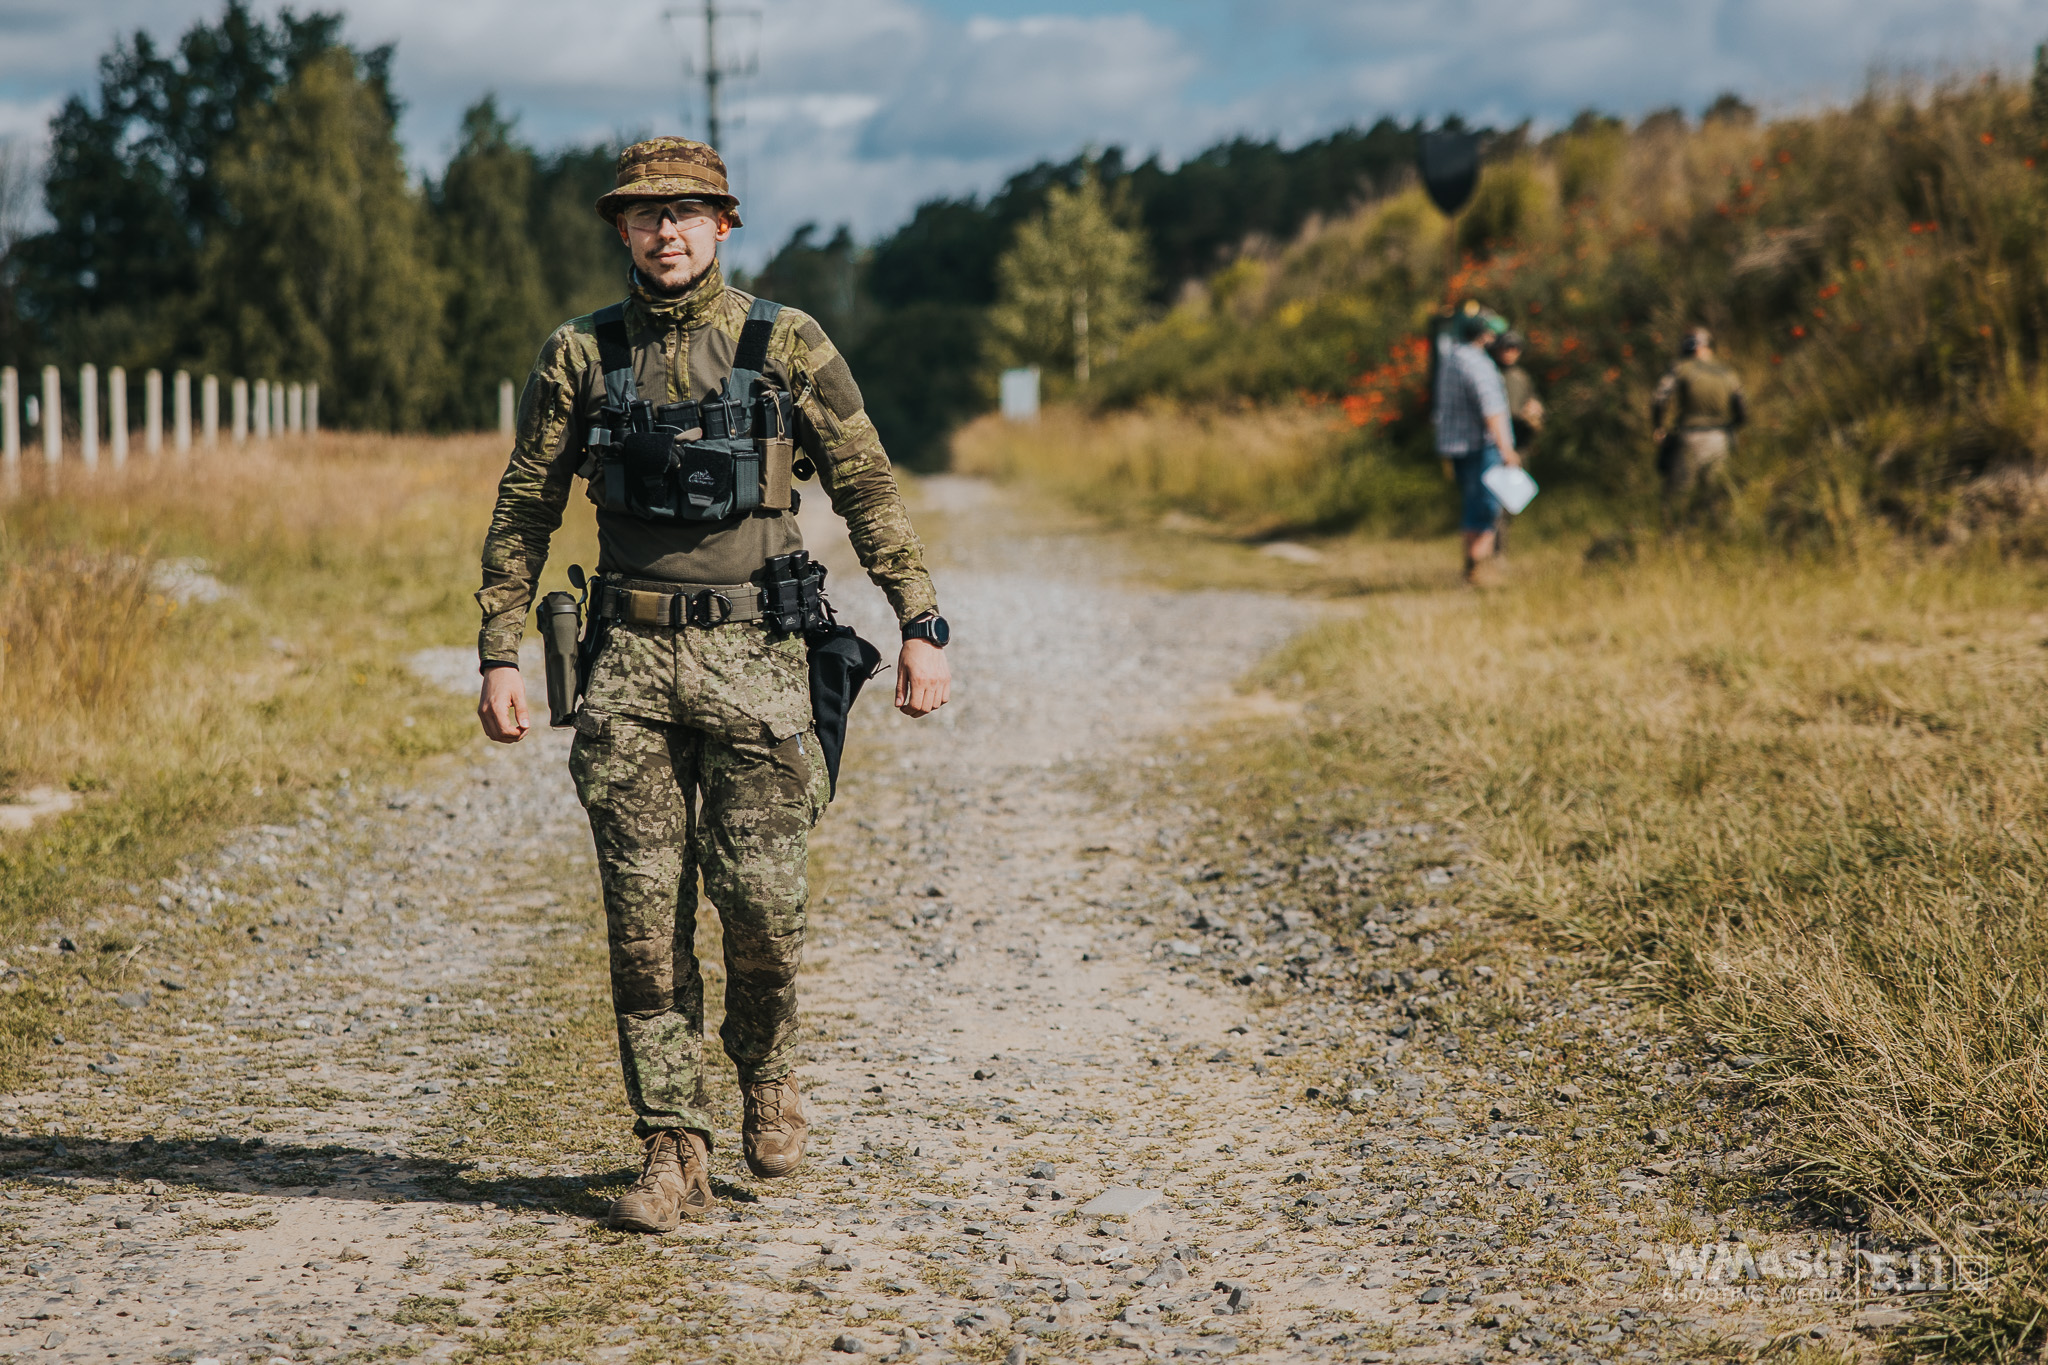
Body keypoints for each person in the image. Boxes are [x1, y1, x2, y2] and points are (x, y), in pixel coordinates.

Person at [473, 138, 953, 1232]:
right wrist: (501, 648)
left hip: (764, 666)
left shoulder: (786, 343)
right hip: (628, 668)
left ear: (723, 224)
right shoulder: (578, 357)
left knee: (760, 912)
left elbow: (870, 487)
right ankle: (669, 1146)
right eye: (645, 216)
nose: (666, 232)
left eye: (686, 213)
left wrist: (919, 624)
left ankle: (766, 1072)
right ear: (620, 231)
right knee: (644, 921)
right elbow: (523, 510)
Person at [1433, 303, 1522, 583]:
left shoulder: (1450, 359)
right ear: (1482, 335)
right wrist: (1507, 449)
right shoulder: (1478, 363)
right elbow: (1492, 410)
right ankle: (1476, 569)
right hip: (1481, 447)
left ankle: (1471, 567)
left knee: (1472, 505)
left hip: (1456, 446)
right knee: (1486, 508)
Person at [1652, 327, 1746, 527]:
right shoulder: (1726, 372)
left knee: (1679, 494)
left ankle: (1677, 542)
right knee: (1717, 495)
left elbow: (1659, 399)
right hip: (1721, 439)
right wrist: (1732, 428)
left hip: (1690, 439)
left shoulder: (1681, 367)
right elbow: (1741, 408)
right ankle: (1718, 538)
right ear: (1708, 348)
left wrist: (1658, 428)